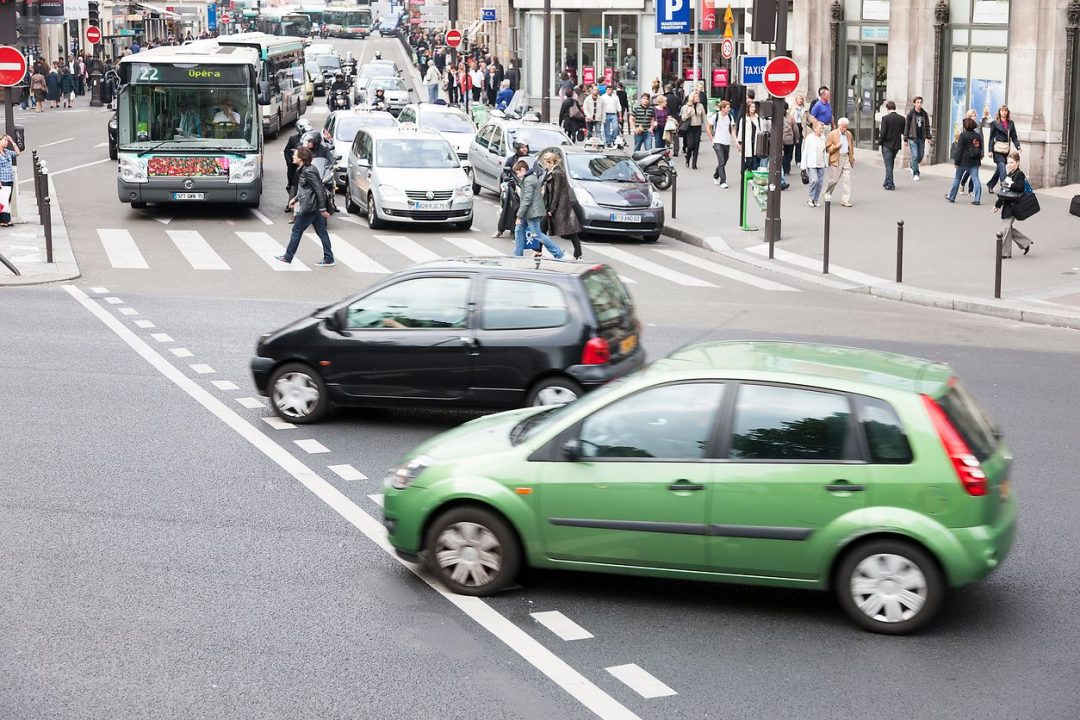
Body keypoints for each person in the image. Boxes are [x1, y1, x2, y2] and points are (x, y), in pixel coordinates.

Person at [277, 147, 334, 267]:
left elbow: (318, 189)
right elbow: (305, 189)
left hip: (310, 207)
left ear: (301, 158)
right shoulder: (304, 169)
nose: (293, 156)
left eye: (295, 155)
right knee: (322, 232)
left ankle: (288, 257)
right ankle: (329, 258)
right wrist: (295, 199)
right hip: (314, 206)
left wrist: (323, 208)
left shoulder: (309, 171)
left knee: (296, 230)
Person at [514, 160, 563, 259]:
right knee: (519, 230)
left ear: (523, 170)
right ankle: (517, 255)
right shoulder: (529, 178)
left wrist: (519, 215)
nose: (517, 175)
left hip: (532, 212)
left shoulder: (529, 180)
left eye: (517, 173)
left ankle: (558, 253)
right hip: (528, 211)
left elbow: (527, 199)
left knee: (537, 235)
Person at [540, 152, 582, 260]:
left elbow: (556, 192)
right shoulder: (552, 171)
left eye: (546, 162)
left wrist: (551, 209)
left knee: (543, 229)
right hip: (559, 206)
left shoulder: (557, 173)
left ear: (550, 162)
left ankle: (538, 251)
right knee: (569, 229)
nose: (545, 165)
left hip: (560, 206)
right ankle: (578, 253)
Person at [992, 151, 1033, 258]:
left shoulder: (1019, 174)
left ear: (1018, 162)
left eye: (1012, 162)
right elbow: (1004, 191)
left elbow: (1020, 188)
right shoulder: (1009, 174)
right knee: (1008, 228)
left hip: (1014, 206)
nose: (1009, 165)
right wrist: (997, 205)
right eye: (1008, 162)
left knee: (1004, 229)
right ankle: (1025, 243)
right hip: (1008, 205)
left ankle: (1005, 253)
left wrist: (1011, 184)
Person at [493, 138, 533, 238]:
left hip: (527, 187)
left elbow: (537, 170)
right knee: (508, 205)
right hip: (515, 187)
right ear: (517, 148)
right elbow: (504, 171)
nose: (524, 149)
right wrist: (506, 177)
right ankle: (500, 229)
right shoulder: (512, 160)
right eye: (522, 147)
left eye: (525, 147)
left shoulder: (531, 159)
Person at [946, 117, 983, 205]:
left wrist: (956, 161)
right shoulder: (977, 136)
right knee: (976, 179)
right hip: (974, 161)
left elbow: (959, 150)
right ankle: (977, 199)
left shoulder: (963, 136)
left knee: (957, 178)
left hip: (963, 161)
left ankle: (952, 196)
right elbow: (980, 148)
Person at [986, 104, 1020, 194]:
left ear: (1007, 112)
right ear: (999, 112)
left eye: (1005, 111)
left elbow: (1014, 137)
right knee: (1002, 167)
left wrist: (1018, 146)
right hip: (997, 149)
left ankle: (990, 184)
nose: (1004, 112)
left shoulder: (1011, 123)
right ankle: (1004, 187)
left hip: (1005, 149)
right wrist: (989, 150)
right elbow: (991, 138)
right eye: (1002, 111)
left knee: (999, 169)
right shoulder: (995, 123)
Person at [824, 117, 855, 207]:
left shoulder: (849, 134)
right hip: (837, 158)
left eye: (846, 127)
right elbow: (828, 149)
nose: (845, 129)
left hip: (846, 158)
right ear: (839, 125)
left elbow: (851, 146)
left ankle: (845, 200)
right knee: (834, 180)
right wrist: (836, 146)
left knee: (847, 179)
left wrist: (852, 157)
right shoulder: (832, 134)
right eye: (843, 127)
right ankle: (827, 193)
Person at [284, 118, 313, 212]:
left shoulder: (313, 140)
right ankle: (290, 203)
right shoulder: (293, 139)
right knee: (293, 184)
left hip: (308, 165)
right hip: (296, 167)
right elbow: (287, 151)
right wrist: (291, 162)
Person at [878, 100, 906, 191]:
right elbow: (903, 131)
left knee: (888, 164)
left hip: (887, 144)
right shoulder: (902, 118)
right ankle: (886, 181)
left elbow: (883, 133)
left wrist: (880, 142)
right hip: (896, 144)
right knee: (891, 163)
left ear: (887, 108)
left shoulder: (885, 118)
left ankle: (890, 183)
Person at [706, 100, 734, 188]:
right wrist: (712, 139)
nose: (729, 109)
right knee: (721, 161)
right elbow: (708, 127)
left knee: (725, 160)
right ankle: (723, 181)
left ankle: (715, 175)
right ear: (722, 108)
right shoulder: (716, 116)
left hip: (726, 141)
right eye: (727, 108)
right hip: (717, 141)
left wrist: (736, 140)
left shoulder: (730, 117)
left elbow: (733, 129)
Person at [904, 96, 932, 181]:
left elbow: (927, 126)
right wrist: (905, 139)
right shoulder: (911, 114)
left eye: (920, 102)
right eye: (918, 102)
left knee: (920, 156)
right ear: (914, 103)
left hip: (921, 137)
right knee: (915, 156)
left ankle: (912, 164)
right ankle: (916, 173)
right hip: (912, 137)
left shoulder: (924, 113)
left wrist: (928, 137)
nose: (919, 104)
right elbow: (907, 126)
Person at [800, 120, 828, 207]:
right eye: (820, 128)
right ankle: (810, 198)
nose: (821, 130)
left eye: (822, 128)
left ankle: (815, 200)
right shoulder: (809, 138)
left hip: (821, 163)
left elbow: (824, 151)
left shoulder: (823, 138)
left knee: (820, 183)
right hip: (811, 163)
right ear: (814, 129)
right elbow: (805, 152)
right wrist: (803, 166)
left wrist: (826, 162)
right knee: (814, 180)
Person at [680, 91, 706, 169]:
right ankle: (687, 157)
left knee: (696, 146)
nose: (698, 98)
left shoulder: (700, 106)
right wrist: (688, 113)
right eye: (696, 97)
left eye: (698, 97)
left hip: (698, 127)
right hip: (690, 128)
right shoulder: (686, 107)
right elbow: (683, 118)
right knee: (690, 145)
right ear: (692, 98)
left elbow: (704, 117)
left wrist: (708, 127)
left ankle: (694, 164)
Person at [736, 101, 762, 176]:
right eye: (751, 107)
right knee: (748, 160)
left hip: (756, 142)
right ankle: (743, 171)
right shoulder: (744, 119)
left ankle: (751, 175)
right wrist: (740, 143)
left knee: (754, 161)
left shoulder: (758, 118)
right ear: (748, 108)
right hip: (747, 142)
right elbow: (741, 131)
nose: (753, 108)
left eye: (754, 107)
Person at [0, 134, 20, 227]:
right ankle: (3, 220)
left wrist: (12, 141)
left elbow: (17, 153)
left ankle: (7, 220)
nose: (6, 142)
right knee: (3, 200)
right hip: (2, 180)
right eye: (4, 140)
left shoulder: (7, 152)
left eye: (7, 141)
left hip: (9, 179)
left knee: (7, 200)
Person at [792, 93, 807, 163]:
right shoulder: (792, 108)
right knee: (792, 143)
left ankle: (798, 160)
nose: (800, 100)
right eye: (798, 99)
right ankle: (790, 158)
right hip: (794, 125)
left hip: (801, 125)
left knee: (799, 144)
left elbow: (808, 118)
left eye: (801, 99)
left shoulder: (804, 110)